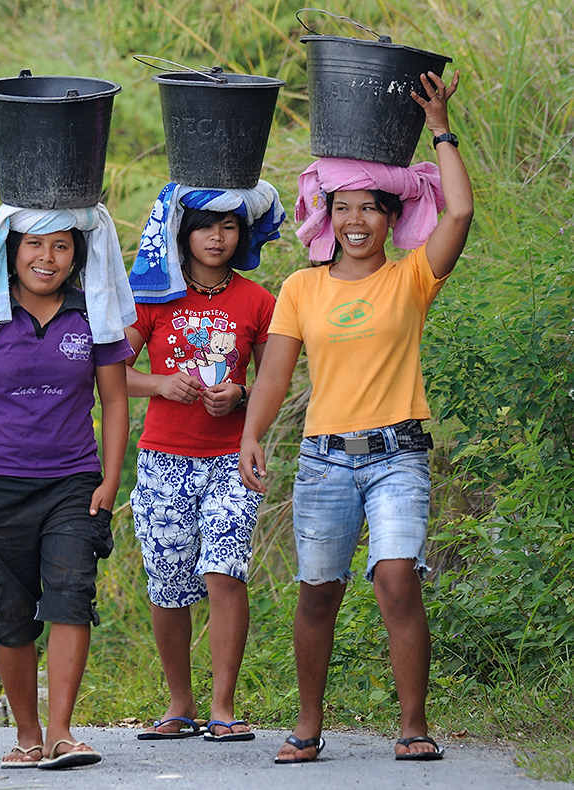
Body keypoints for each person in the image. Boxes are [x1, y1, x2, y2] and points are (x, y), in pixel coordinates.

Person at [238, 70, 473, 763]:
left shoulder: (411, 278)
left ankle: (413, 724)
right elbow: (276, 374)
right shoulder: (301, 288)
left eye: (373, 208)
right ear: (327, 216)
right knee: (318, 593)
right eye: (344, 208)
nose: (358, 221)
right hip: (324, 461)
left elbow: (457, 214)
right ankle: (308, 725)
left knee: (397, 577)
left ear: (392, 218)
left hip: (398, 453)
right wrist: (251, 434)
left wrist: (441, 128)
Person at [0, 205, 135, 769]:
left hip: (72, 484)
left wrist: (110, 475)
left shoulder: (90, 315)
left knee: (71, 598)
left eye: (60, 245)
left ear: (77, 255)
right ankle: (26, 735)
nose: (45, 257)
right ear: (11, 250)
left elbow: (116, 399)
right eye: (33, 244)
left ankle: (60, 733)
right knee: (11, 612)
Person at [126, 182, 284, 741]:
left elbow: (273, 378)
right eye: (204, 226)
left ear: (242, 235)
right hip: (163, 460)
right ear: (182, 232)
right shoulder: (151, 295)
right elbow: (111, 373)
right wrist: (162, 384)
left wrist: (240, 396)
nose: (216, 238)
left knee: (224, 572)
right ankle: (179, 704)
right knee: (167, 585)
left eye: (229, 227)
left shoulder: (259, 301)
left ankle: (223, 707)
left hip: (232, 458)